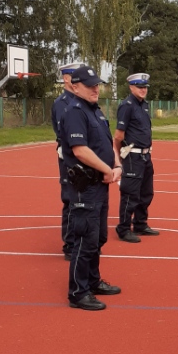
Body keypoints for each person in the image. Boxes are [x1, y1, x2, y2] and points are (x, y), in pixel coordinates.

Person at [58, 65, 122, 311]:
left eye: (97, 84)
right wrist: (107, 170)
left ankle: (93, 280)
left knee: (98, 238)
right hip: (85, 187)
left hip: (101, 184)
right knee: (84, 240)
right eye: (90, 85)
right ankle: (78, 292)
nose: (96, 88)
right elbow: (80, 150)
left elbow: (108, 144)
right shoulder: (74, 111)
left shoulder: (95, 111)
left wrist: (116, 164)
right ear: (75, 86)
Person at [114, 73, 159, 243]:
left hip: (146, 155)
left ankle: (140, 223)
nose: (143, 90)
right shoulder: (127, 106)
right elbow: (118, 136)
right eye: (140, 87)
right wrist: (118, 158)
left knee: (146, 193)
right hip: (133, 156)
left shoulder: (144, 105)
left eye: (145, 87)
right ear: (131, 87)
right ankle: (124, 228)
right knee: (130, 194)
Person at [51, 61, 83, 259]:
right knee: (71, 201)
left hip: (83, 157)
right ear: (66, 78)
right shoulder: (62, 104)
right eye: (75, 76)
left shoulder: (82, 101)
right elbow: (67, 134)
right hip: (70, 159)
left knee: (82, 201)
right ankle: (70, 245)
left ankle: (81, 241)